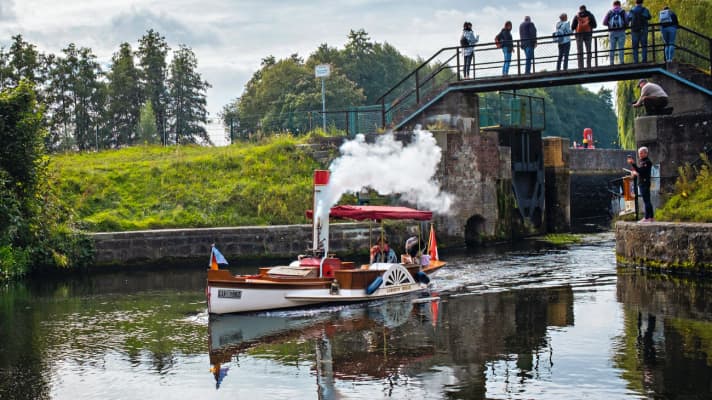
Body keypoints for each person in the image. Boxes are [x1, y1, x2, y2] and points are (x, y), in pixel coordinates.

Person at [627, 147, 654, 222]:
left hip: (644, 183)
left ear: (646, 153)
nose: (640, 155)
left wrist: (633, 164)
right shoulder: (643, 161)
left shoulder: (647, 162)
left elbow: (641, 171)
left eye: (642, 153)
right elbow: (640, 172)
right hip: (643, 182)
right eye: (639, 153)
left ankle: (646, 217)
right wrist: (636, 172)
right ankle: (651, 217)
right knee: (647, 200)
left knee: (646, 201)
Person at [571, 5, 597, 69]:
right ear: (585, 8)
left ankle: (580, 66)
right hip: (588, 34)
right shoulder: (590, 15)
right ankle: (589, 65)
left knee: (580, 51)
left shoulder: (577, 16)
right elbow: (595, 25)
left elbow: (572, 27)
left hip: (579, 35)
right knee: (588, 50)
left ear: (580, 9)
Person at [603, 1, 628, 65]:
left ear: (613, 5)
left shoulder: (610, 12)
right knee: (621, 48)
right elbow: (627, 21)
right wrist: (624, 27)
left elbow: (604, 22)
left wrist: (609, 25)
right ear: (619, 5)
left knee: (612, 48)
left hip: (612, 32)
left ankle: (611, 63)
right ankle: (621, 62)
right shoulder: (623, 11)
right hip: (621, 32)